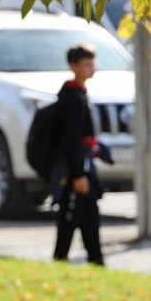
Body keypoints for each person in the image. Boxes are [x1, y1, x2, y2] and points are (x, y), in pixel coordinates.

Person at [53, 45, 105, 266]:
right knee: (74, 214)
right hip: (78, 169)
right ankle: (72, 257)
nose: (91, 68)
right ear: (73, 66)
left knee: (84, 214)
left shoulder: (79, 94)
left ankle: (92, 258)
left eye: (92, 63)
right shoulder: (72, 98)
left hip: (83, 166)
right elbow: (71, 139)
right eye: (86, 64)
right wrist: (77, 174)